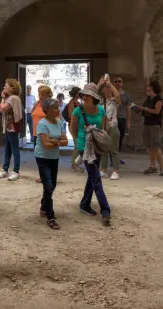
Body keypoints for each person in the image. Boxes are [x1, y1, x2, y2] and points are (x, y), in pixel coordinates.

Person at [70, 83, 111, 227]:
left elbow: (104, 128)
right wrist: (81, 144)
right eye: (83, 94)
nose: (85, 97)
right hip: (84, 147)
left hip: (97, 146)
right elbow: (73, 130)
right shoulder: (77, 111)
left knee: (92, 177)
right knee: (96, 177)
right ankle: (105, 210)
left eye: (88, 95)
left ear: (94, 97)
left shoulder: (101, 110)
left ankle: (84, 204)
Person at [35, 99, 68, 230]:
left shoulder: (59, 123)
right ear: (47, 111)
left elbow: (65, 141)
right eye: (55, 108)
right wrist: (57, 141)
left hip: (54, 157)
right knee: (48, 186)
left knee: (52, 185)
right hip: (42, 157)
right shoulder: (42, 124)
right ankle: (50, 216)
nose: (58, 110)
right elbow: (45, 145)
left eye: (58, 107)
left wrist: (54, 141)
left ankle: (44, 206)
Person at [0, 79, 23, 181]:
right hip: (8, 127)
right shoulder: (12, 98)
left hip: (12, 127)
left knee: (14, 149)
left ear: (11, 88)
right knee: (7, 148)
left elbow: (2, 109)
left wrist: (1, 99)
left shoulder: (12, 98)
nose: (4, 87)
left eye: (5, 86)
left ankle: (16, 171)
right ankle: (5, 169)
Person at [138, 80, 163, 176]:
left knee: (155, 146)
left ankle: (162, 168)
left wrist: (144, 109)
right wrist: (138, 108)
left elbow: (156, 111)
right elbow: (144, 108)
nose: (146, 88)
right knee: (149, 146)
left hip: (155, 125)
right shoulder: (148, 98)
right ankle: (152, 166)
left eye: (148, 86)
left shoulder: (158, 99)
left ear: (153, 87)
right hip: (147, 124)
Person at [99, 77, 121, 180]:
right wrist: (100, 84)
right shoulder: (100, 101)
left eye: (108, 88)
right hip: (103, 127)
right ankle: (103, 170)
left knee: (114, 150)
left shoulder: (114, 101)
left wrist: (110, 84)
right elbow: (92, 94)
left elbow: (117, 95)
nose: (107, 89)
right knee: (104, 149)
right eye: (105, 88)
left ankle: (115, 171)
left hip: (113, 126)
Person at [31, 85, 53, 183]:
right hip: (36, 133)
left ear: (48, 95)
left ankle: (49, 176)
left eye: (42, 94)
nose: (40, 96)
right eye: (39, 93)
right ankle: (43, 176)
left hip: (46, 134)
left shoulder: (51, 105)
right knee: (39, 156)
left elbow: (57, 119)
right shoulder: (37, 103)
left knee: (47, 156)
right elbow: (32, 113)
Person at [67, 87, 84, 173]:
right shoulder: (72, 103)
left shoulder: (77, 102)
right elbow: (71, 115)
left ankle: (75, 164)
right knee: (77, 146)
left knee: (78, 145)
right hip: (74, 126)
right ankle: (74, 165)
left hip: (78, 126)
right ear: (76, 93)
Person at [114, 77, 131, 164]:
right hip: (113, 119)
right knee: (113, 138)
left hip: (122, 119)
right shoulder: (112, 93)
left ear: (122, 83)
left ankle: (117, 157)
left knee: (120, 138)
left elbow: (128, 108)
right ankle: (112, 158)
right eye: (115, 81)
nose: (117, 83)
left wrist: (128, 121)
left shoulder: (126, 94)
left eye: (119, 81)